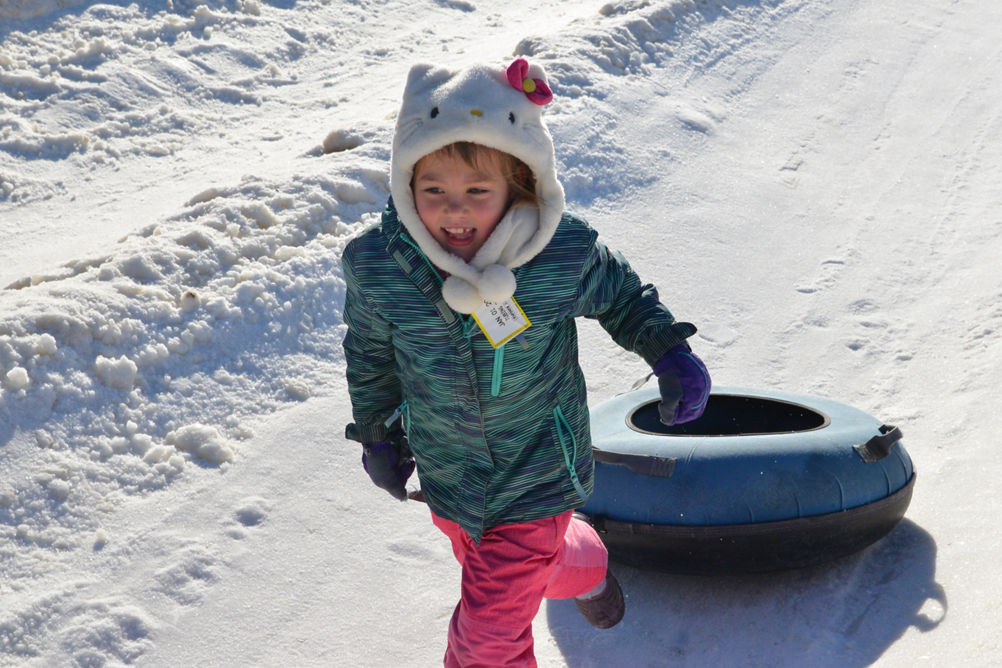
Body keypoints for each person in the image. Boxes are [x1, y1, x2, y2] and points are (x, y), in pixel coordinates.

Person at [341, 58, 710, 667]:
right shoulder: (380, 267)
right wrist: (378, 432)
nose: (454, 211)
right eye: (433, 191)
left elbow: (622, 296)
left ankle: (555, 558)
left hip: (538, 471)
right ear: (406, 185)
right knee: (508, 568)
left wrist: (667, 350)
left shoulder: (557, 253)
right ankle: (583, 561)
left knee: (486, 638)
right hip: (449, 473)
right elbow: (370, 354)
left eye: (476, 192)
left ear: (519, 184)